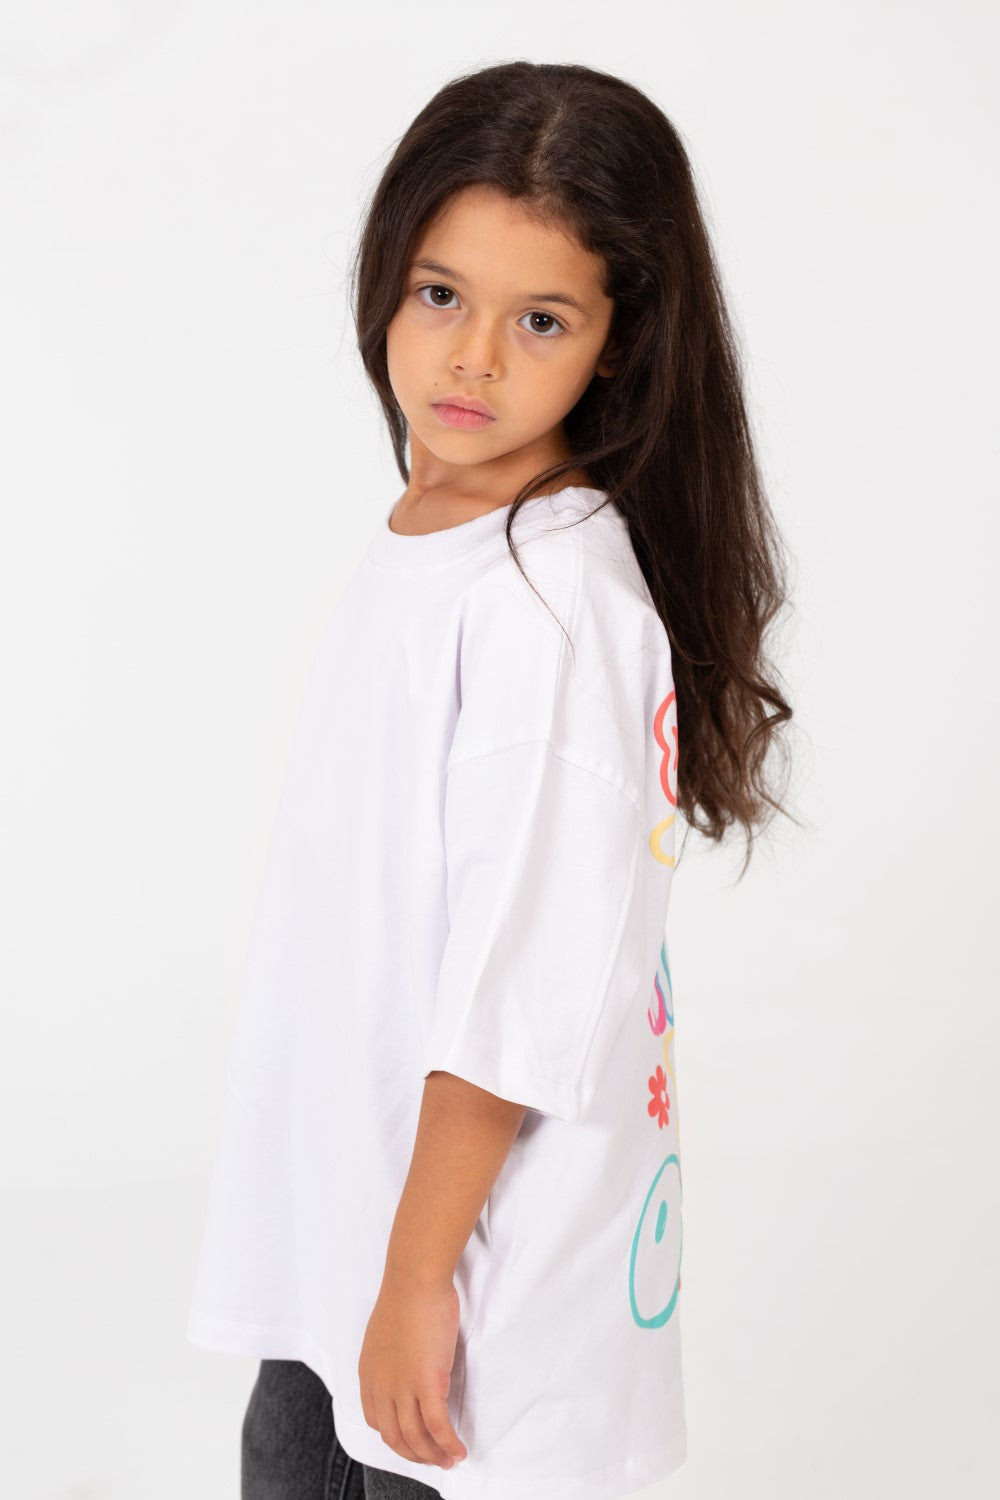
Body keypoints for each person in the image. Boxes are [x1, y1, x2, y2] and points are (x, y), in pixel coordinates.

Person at [186, 59, 795, 1500]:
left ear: (619, 344)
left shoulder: (547, 599)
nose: (471, 360)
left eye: (540, 320)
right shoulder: (448, 527)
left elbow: (521, 998)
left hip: (462, 1276)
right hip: (362, 1220)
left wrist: (414, 1282)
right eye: (440, 293)